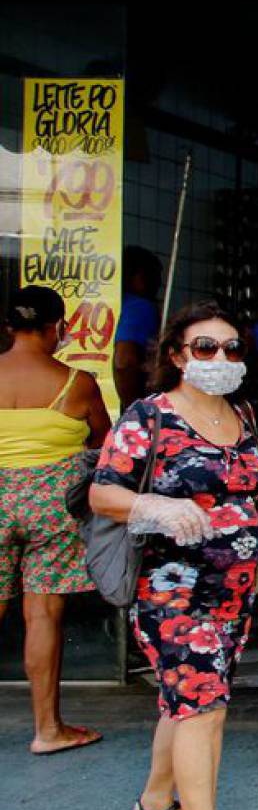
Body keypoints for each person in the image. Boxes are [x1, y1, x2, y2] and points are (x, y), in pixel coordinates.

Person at [90, 301, 258, 810]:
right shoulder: (150, 416)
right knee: (204, 707)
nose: (220, 357)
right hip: (171, 588)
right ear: (176, 354)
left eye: (231, 347)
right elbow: (103, 492)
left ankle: (153, 802)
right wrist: (152, 504)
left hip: (233, 591)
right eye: (205, 347)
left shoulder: (241, 413)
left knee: (186, 701)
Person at [1, 286, 108, 755]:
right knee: (42, 613)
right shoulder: (77, 383)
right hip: (53, 506)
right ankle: (47, 730)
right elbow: (103, 442)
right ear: (58, 328)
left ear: (9, 326)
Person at [114, 246, 165, 414]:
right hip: (124, 406)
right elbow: (124, 362)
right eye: (154, 276)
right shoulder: (140, 307)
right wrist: (135, 412)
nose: (158, 285)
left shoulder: (108, 303)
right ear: (138, 275)